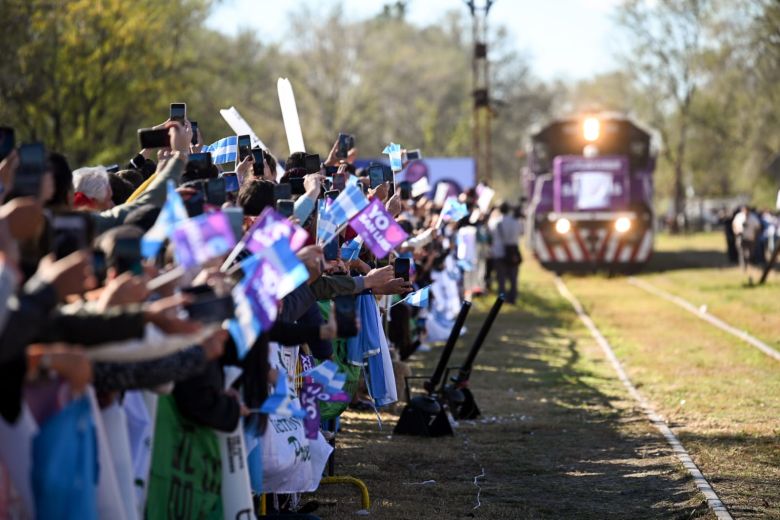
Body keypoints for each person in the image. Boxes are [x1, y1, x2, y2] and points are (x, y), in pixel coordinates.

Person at [489, 202, 522, 304]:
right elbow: (522, 232)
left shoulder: (495, 222)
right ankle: (512, 298)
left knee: (501, 279)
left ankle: (502, 299)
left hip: (499, 253)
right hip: (513, 252)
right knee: (513, 278)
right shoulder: (516, 221)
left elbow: (491, 234)